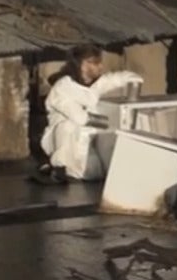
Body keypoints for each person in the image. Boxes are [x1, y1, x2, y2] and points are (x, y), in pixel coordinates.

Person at [40, 47, 143, 181]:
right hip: (65, 139)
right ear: (81, 65)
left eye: (99, 62)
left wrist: (130, 78)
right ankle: (59, 167)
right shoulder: (62, 88)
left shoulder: (93, 84)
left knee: (94, 171)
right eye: (94, 62)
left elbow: (110, 80)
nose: (100, 66)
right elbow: (80, 118)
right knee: (69, 127)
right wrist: (112, 122)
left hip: (86, 136)